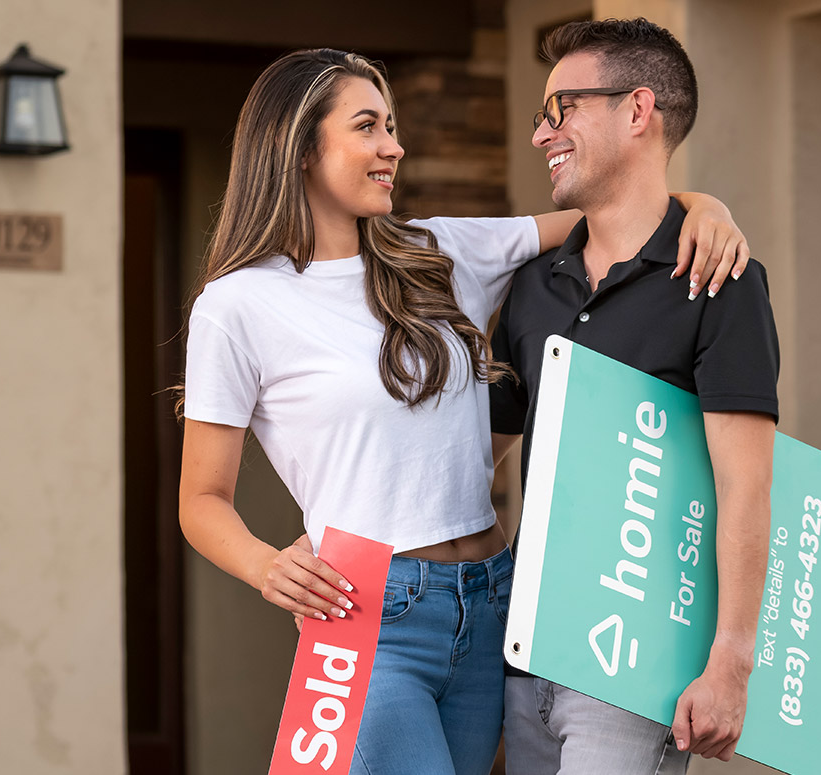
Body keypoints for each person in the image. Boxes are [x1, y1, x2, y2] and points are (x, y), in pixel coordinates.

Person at [177, 47, 749, 775]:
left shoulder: (439, 250)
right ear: (298, 147)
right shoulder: (237, 306)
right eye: (368, 128)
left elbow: (608, 214)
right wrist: (265, 565)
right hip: (365, 616)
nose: (394, 146)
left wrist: (706, 207)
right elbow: (201, 499)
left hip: (492, 607)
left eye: (392, 126)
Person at [490, 18, 779, 775]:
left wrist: (731, 663)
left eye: (563, 109)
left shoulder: (720, 279)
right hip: (523, 663)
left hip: (630, 674)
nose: (541, 134)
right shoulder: (530, 288)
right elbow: (476, 463)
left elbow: (745, 487)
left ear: (638, 110)